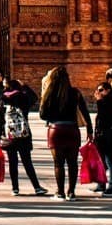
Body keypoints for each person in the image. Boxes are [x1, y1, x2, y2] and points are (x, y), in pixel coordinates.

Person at [39, 65, 93, 200]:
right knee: (72, 163)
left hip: (55, 130)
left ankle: (60, 192)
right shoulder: (75, 93)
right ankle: (71, 192)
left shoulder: (49, 92)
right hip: (72, 130)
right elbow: (85, 112)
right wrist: (90, 130)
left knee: (58, 163)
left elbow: (42, 114)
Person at [0, 76, 48, 196]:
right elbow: (34, 98)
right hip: (23, 135)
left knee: (13, 163)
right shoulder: (23, 98)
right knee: (27, 162)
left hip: (9, 136)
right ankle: (37, 187)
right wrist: (25, 86)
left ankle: (15, 188)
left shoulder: (2, 101)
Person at [93, 81, 112, 195]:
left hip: (110, 135)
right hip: (103, 134)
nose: (99, 92)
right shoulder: (109, 100)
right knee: (102, 161)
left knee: (109, 161)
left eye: (101, 90)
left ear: (107, 90)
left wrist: (100, 101)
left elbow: (104, 115)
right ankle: (101, 184)